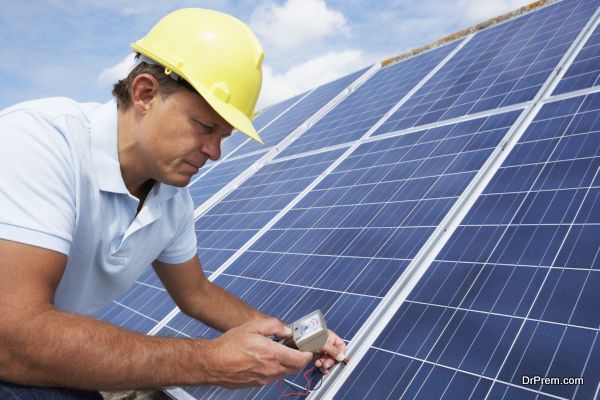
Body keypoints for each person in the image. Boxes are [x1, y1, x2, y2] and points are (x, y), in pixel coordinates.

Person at [0, 8, 346, 399]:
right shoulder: (39, 143)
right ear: (145, 93)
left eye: (224, 136)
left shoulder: (171, 200)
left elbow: (196, 292)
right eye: (205, 127)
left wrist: (290, 336)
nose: (214, 152)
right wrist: (210, 360)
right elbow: (12, 339)